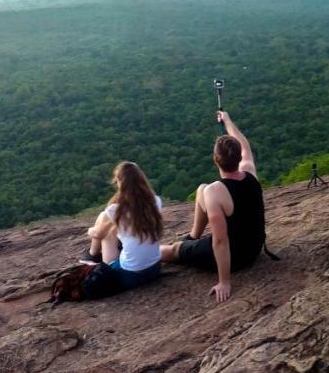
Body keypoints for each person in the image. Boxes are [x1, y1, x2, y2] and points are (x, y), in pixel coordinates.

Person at [160, 110, 266, 303]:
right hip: (254, 247)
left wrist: (224, 281)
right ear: (238, 158)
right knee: (201, 189)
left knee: (174, 250)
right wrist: (227, 120)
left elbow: (220, 241)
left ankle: (133, 253)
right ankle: (193, 236)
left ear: (216, 160)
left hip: (236, 258)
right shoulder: (249, 172)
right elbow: (245, 145)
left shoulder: (216, 191)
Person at [78, 161, 164, 297]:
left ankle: (93, 255)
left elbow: (98, 234)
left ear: (119, 181)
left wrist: (89, 230)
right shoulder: (156, 201)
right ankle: (94, 255)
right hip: (155, 269)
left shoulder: (115, 209)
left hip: (130, 276)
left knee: (104, 225)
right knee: (110, 223)